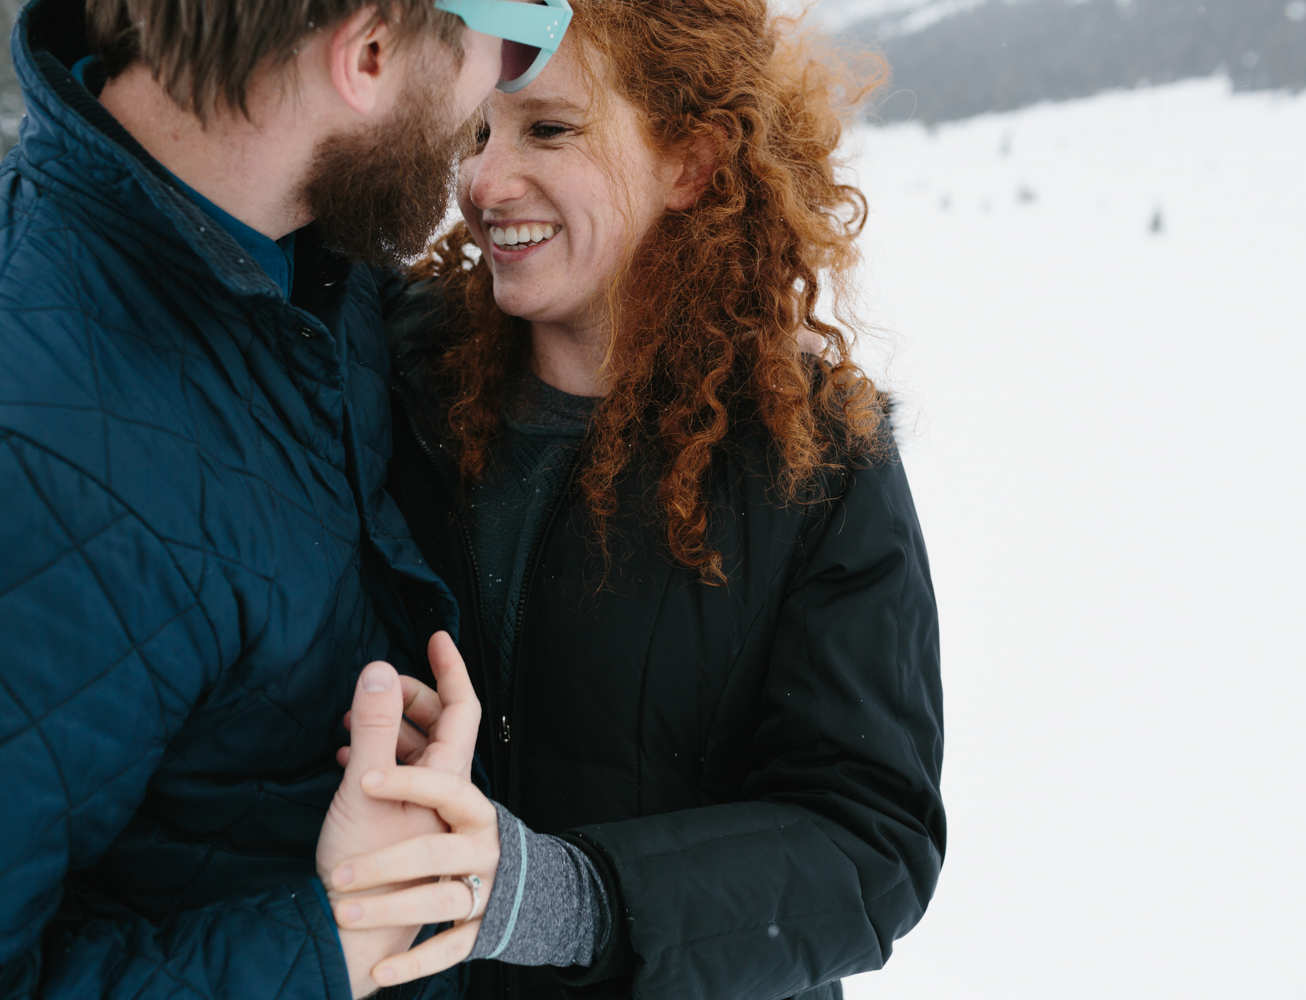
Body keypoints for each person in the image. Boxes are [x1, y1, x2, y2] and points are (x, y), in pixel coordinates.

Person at [0, 1, 574, 998]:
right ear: (365, 52)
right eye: (511, 28)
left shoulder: (292, 248)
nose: (502, 76)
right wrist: (328, 947)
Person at [318, 2, 947, 998]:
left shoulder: (814, 457)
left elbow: (870, 842)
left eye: (550, 128)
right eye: (478, 128)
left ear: (690, 162)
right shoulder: (394, 368)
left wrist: (562, 898)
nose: (482, 180)